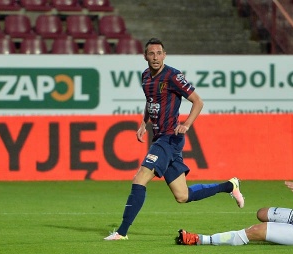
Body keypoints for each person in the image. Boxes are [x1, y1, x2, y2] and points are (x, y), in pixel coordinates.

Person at [104, 38, 244, 241]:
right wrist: (144, 123)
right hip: (161, 137)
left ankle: (121, 232)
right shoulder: (145, 76)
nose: (155, 57)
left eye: (159, 53)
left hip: (170, 138)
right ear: (145, 56)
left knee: (140, 177)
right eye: (151, 54)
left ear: (164, 55)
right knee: (182, 196)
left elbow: (198, 101)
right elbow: (151, 102)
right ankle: (230, 186)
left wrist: (186, 124)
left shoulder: (173, 76)